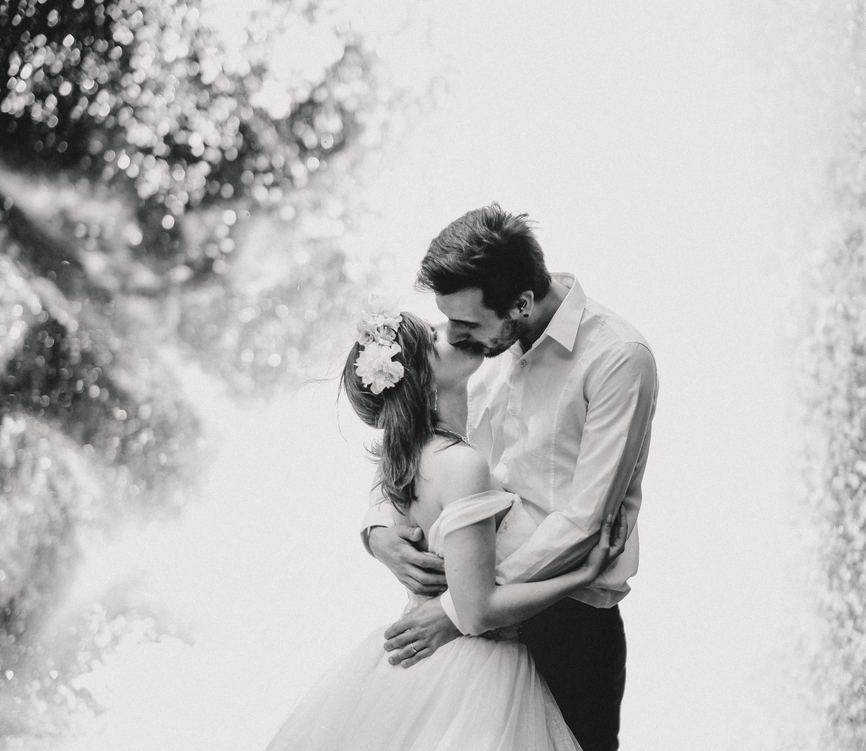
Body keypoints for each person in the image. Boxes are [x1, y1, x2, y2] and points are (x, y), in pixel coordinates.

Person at [363, 205, 658, 751]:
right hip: (470, 608)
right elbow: (420, 434)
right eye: (447, 319)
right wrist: (379, 529)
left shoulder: (618, 358)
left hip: (566, 622)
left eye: (467, 324)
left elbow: (586, 519)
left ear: (521, 304)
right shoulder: (482, 342)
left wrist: (463, 608)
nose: (453, 336)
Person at [264, 306, 626, 751]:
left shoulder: (404, 456)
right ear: (421, 381)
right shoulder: (459, 462)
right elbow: (478, 610)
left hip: (447, 656)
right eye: (434, 336)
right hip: (477, 665)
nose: (450, 330)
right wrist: (584, 573)